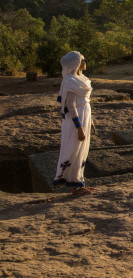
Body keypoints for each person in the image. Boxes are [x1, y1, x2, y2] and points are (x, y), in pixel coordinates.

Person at [53, 51, 96, 195]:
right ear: (76, 63)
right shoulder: (70, 80)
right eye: (83, 59)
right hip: (75, 120)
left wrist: (90, 120)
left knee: (82, 151)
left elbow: (85, 103)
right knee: (74, 149)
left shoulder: (81, 79)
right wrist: (79, 127)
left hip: (84, 116)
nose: (85, 62)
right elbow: (71, 106)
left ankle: (79, 182)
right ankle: (76, 186)